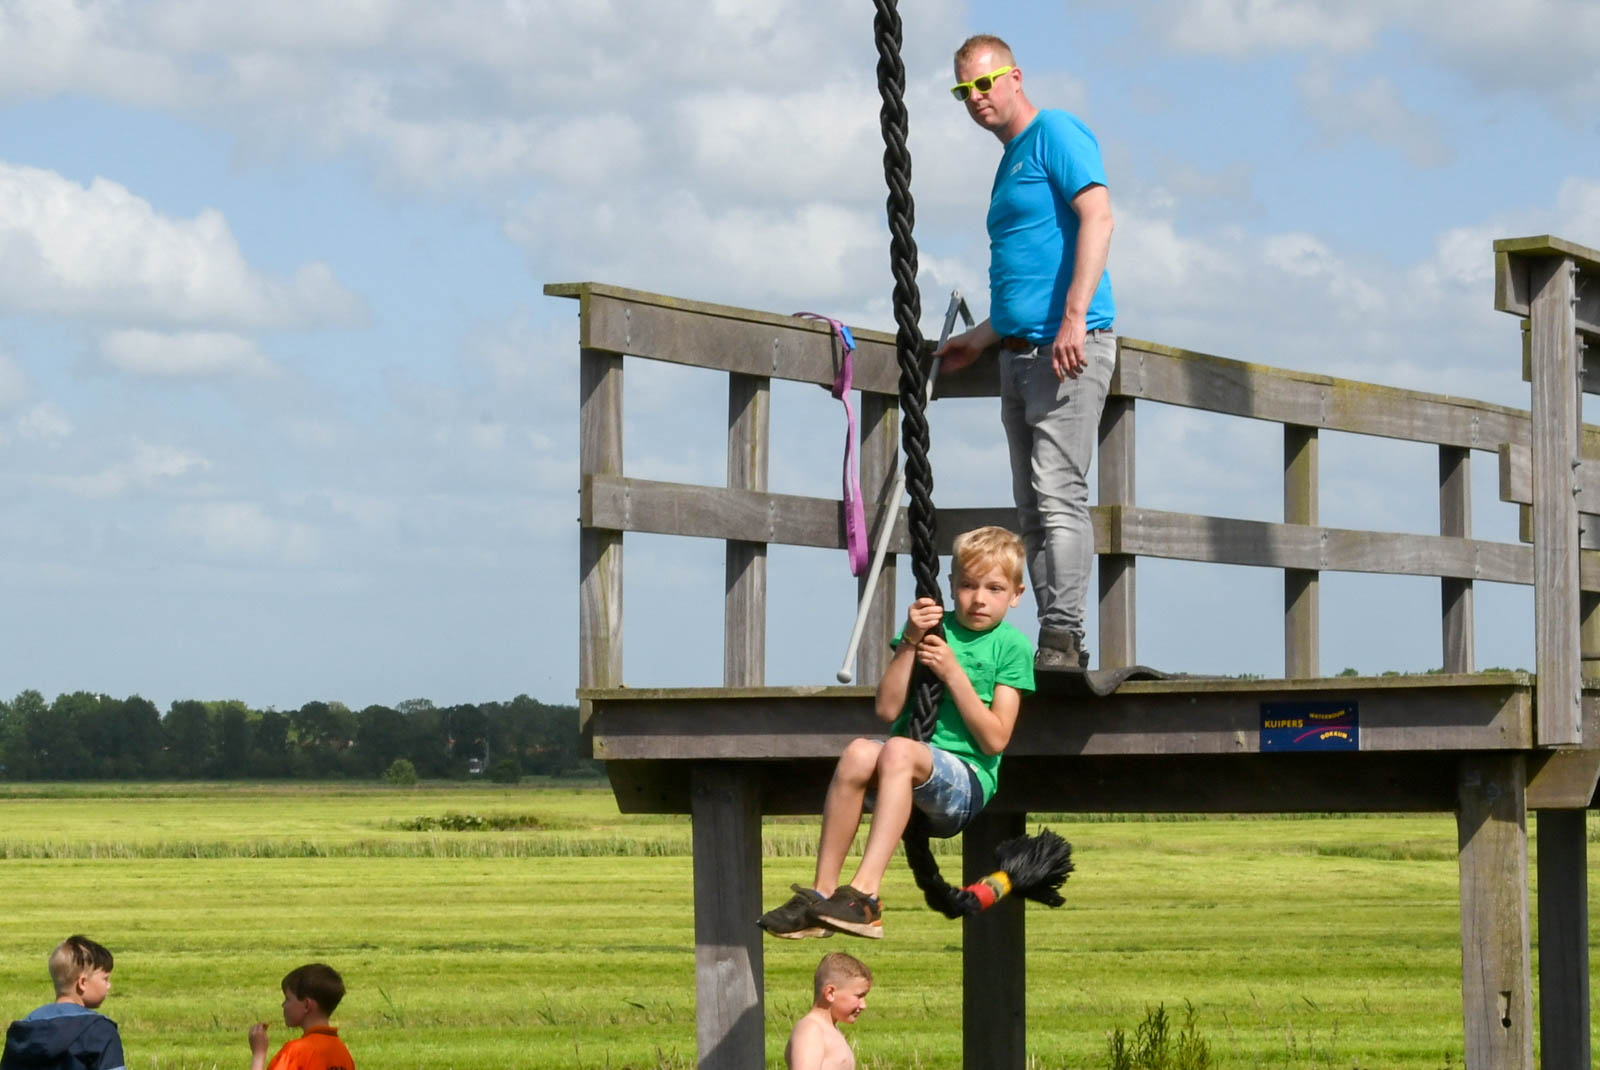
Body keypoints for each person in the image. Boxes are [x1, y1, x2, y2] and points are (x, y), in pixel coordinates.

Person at [934, 34, 1117, 673]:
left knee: (1058, 495)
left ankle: (1064, 636)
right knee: (1031, 508)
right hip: (1017, 353)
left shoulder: (1055, 132)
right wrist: (984, 337)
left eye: (985, 83)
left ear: (1015, 77)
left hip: (1066, 350)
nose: (976, 97)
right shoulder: (1010, 160)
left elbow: (1098, 216)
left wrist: (1074, 318)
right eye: (964, 90)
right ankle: (1053, 640)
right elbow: (1030, 270)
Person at [758, 526, 1034, 939]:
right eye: (968, 585)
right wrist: (909, 641)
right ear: (951, 586)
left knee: (898, 751)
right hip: (907, 768)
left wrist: (953, 673)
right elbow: (887, 710)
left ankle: (866, 895)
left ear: (1015, 594)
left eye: (994, 588)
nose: (979, 598)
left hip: (965, 782)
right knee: (858, 751)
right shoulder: (932, 630)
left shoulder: (1011, 645)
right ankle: (822, 895)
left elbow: (995, 739)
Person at [1, 936, 125, 1070]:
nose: (109, 985)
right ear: (82, 983)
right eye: (105, 979)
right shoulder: (100, 1031)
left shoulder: (25, 1029)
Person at [247, 964, 353, 1070]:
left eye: (287, 999)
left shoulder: (295, 1052)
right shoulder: (343, 1053)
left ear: (306, 1005)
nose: (283, 1005)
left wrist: (259, 1054)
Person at [784, 952, 872, 1070]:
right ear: (830, 993)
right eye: (859, 996)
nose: (863, 1005)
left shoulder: (829, 1030)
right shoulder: (811, 1030)